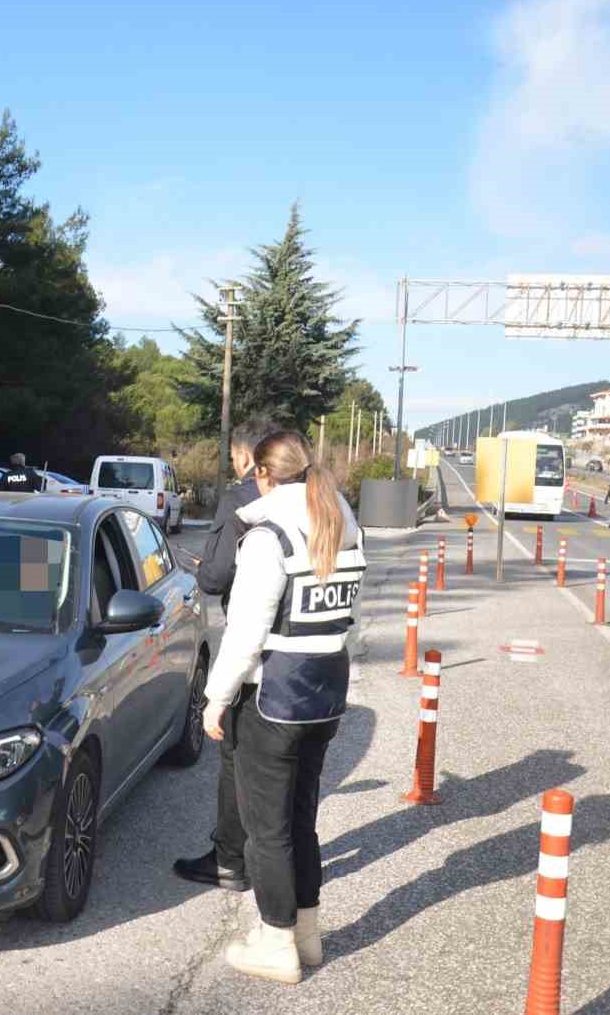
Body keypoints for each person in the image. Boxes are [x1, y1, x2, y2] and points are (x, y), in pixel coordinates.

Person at [201, 429, 366, 984]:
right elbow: (345, 616)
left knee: (265, 829)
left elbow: (245, 634)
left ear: (265, 476)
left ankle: (275, 943)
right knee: (302, 818)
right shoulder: (342, 524)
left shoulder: (268, 537)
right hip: (327, 689)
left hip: (274, 695)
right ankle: (306, 935)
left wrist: (215, 699)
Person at [172, 417, 272, 892]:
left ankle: (230, 860)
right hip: (307, 658)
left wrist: (207, 565)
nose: (233, 464)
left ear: (248, 457)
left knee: (235, 755)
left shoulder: (238, 499)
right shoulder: (318, 499)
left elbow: (213, 578)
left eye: (234, 456)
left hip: (253, 647)